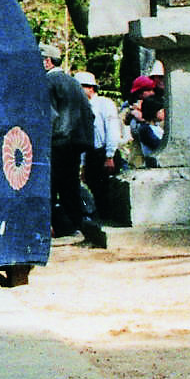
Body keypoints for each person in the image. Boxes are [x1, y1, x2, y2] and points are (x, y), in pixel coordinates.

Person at [43, 46, 106, 248]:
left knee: (50, 187)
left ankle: (52, 229)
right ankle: (82, 228)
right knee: (70, 187)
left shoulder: (48, 82)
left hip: (57, 142)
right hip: (76, 143)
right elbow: (89, 114)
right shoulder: (73, 82)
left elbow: (49, 116)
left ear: (47, 62)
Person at [76, 71, 123, 226]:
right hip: (90, 153)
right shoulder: (81, 108)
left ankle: (112, 218)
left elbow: (112, 129)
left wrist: (110, 155)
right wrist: (83, 163)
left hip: (103, 152)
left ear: (90, 88)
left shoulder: (104, 104)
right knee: (94, 189)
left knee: (107, 189)